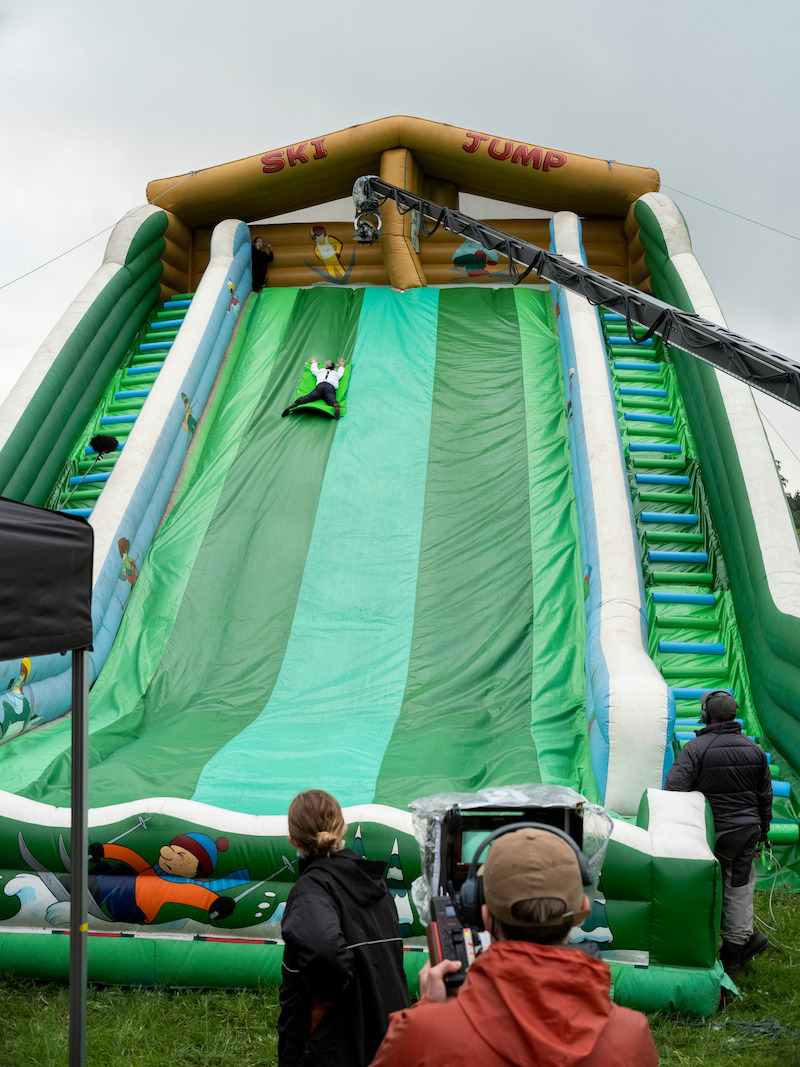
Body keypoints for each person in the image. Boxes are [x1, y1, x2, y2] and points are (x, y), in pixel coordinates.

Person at [369, 826, 658, 1067]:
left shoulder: (421, 1035)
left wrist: (429, 1009)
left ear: (481, 913)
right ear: (583, 908)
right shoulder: (630, 1036)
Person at [278, 790, 409, 1067]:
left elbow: (323, 951)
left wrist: (322, 1004)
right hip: (386, 1026)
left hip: (334, 1042)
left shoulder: (310, 891)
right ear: (343, 827)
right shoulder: (375, 884)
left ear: (292, 839)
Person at [664, 689, 772, 976]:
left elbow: (673, 790)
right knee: (738, 889)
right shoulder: (754, 749)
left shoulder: (696, 749)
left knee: (703, 887)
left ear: (705, 716)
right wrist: (763, 836)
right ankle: (735, 956)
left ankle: (697, 949)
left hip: (711, 832)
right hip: (747, 831)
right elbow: (765, 797)